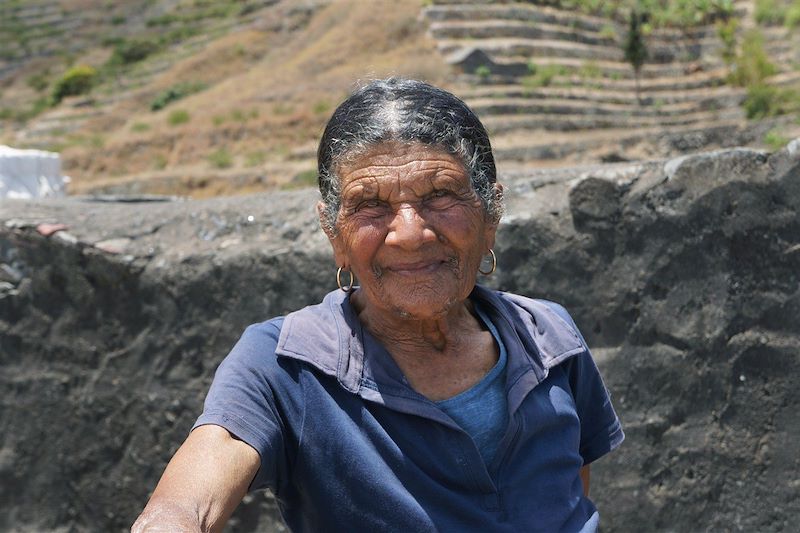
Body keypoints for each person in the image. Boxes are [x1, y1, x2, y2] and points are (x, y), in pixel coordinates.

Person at [132, 78, 623, 533]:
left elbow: (569, 493)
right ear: (334, 233)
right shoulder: (285, 363)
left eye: (441, 195)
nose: (410, 234)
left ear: (490, 213)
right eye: (371, 204)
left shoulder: (548, 335)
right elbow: (189, 496)